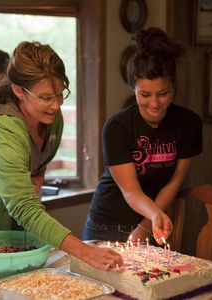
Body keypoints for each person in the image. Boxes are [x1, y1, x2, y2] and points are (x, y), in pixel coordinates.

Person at [0, 41, 123, 271]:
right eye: (46, 97)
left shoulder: (50, 117)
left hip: (15, 206)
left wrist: (38, 173)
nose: (56, 105)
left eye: (60, 94)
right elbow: (24, 207)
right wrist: (86, 251)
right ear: (18, 90)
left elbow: (40, 156)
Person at [82, 27, 203, 244]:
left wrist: (146, 225)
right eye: (145, 95)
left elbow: (174, 182)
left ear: (173, 87)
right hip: (106, 225)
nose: (155, 103)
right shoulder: (117, 127)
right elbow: (131, 191)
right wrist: (154, 215)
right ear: (133, 89)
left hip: (151, 224)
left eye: (163, 94)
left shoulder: (189, 124)